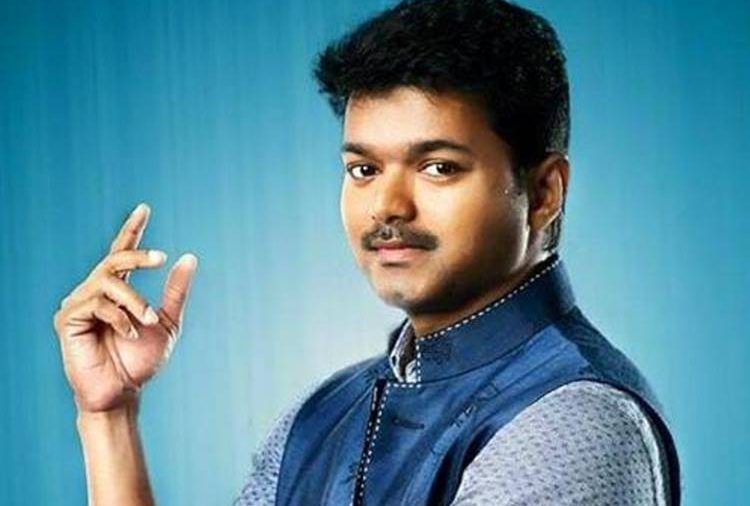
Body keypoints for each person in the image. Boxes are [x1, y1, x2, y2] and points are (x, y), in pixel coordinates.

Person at [52, 0, 682, 504]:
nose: (387, 206)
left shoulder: (574, 419)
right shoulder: (321, 416)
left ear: (543, 193)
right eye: (363, 169)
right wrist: (109, 417)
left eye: (438, 167)